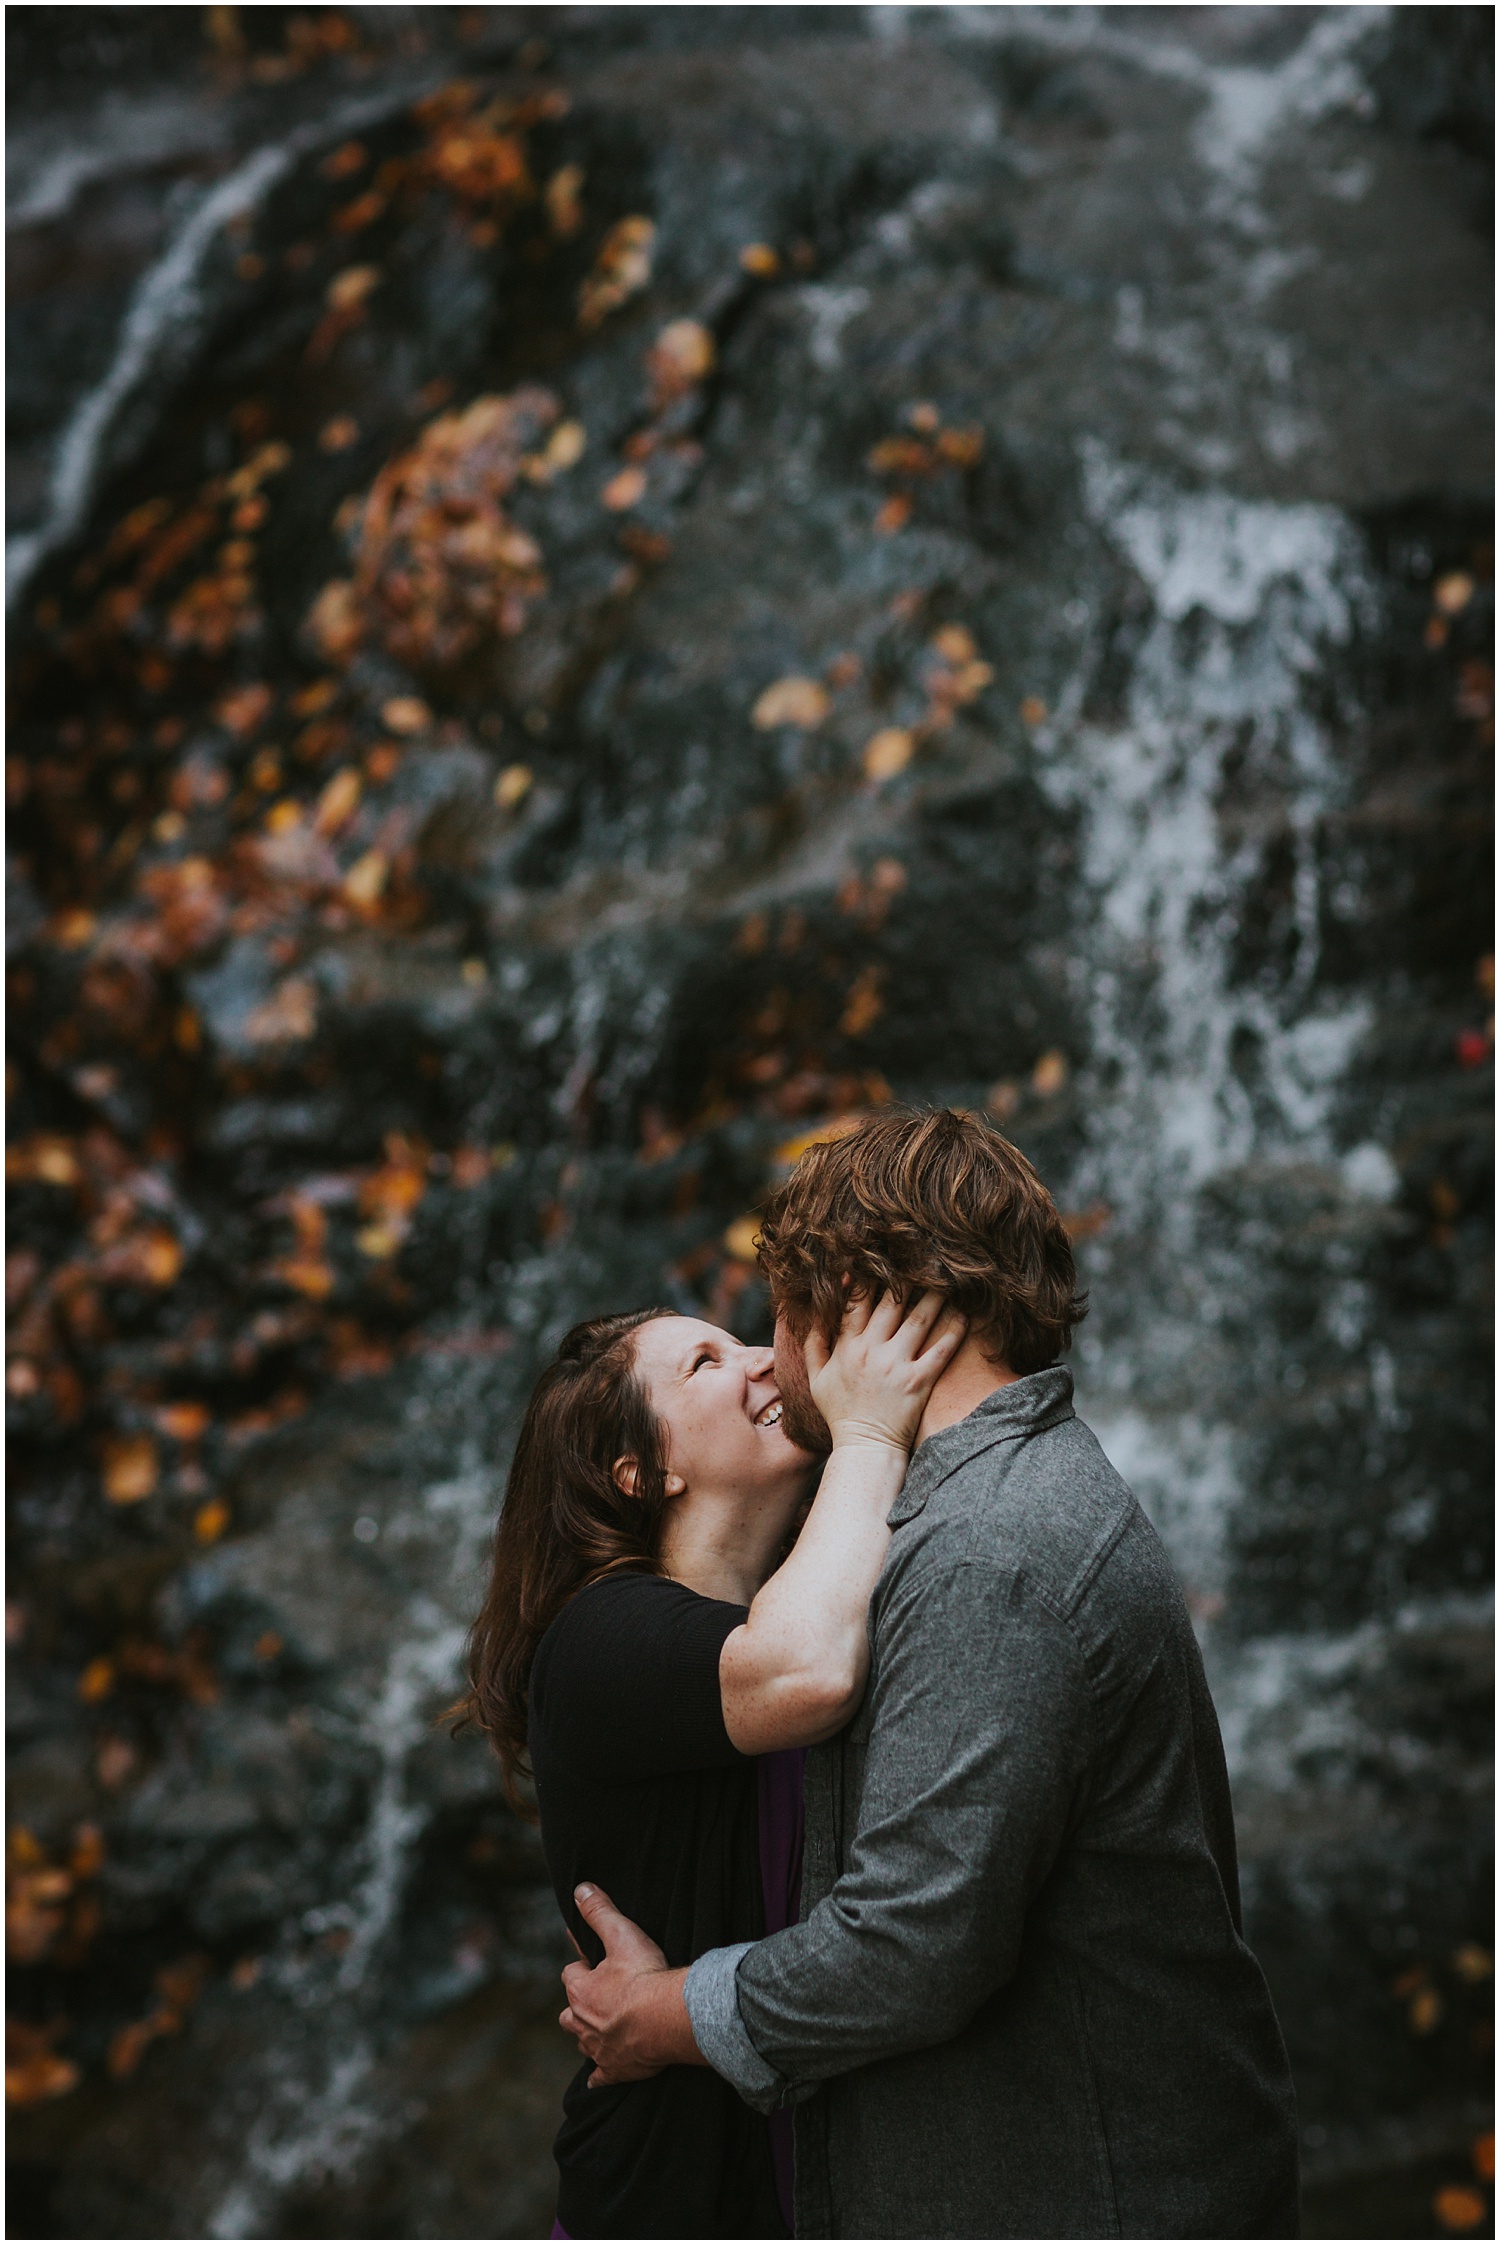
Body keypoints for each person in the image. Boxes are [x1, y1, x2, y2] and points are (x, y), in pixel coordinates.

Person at [557, 1107, 1302, 2239]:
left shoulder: (986, 1549)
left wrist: (665, 2011)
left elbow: (910, 1945)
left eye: (780, 1311)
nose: (772, 1351)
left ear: (856, 1306)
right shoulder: (955, 1511)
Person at [454, 1285, 964, 2240]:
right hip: (667, 2197)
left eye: (740, 1342)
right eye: (705, 1363)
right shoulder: (597, 1640)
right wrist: (869, 1437)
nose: (763, 1360)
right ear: (643, 1472)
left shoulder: (815, 1586)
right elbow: (803, 1672)